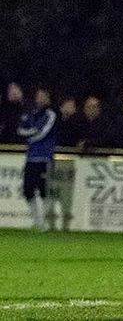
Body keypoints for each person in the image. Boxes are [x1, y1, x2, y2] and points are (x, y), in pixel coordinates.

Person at [17, 86, 58, 230]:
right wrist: (31, 133)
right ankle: (36, 220)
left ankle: (43, 222)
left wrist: (29, 135)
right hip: (31, 158)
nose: (39, 98)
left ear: (48, 98)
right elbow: (20, 129)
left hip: (44, 158)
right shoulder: (30, 113)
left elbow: (41, 132)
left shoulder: (50, 114)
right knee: (27, 190)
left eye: (43, 96)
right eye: (38, 96)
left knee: (43, 190)